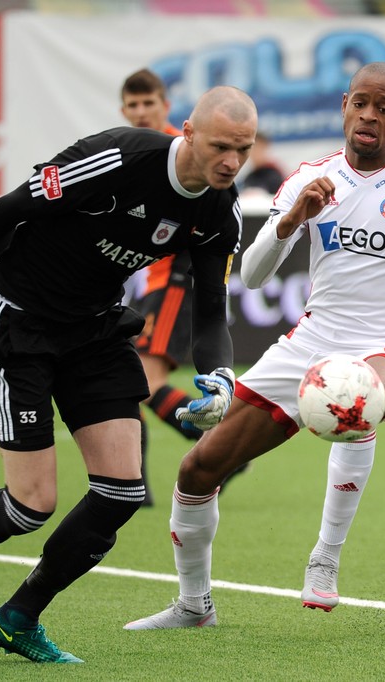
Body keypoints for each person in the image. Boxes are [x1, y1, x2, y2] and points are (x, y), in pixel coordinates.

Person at [123, 62, 385, 630]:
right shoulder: (308, 178)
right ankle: (193, 605)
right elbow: (250, 276)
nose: (369, 116)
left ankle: (325, 556)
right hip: (309, 342)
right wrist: (291, 220)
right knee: (198, 468)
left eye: (384, 106)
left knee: (356, 395)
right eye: (360, 104)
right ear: (344, 106)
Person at [0, 85, 258, 662]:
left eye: (244, 149)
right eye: (220, 147)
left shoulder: (220, 208)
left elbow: (212, 309)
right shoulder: (116, 158)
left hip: (95, 332)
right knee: (29, 506)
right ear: (186, 131)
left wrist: (222, 376)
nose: (231, 163)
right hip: (22, 326)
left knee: (120, 492)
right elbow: (7, 210)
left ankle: (18, 617)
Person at [120, 68, 248, 505]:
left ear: (166, 107)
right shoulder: (130, 151)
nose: (141, 113)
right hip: (152, 282)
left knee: (142, 383)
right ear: (123, 109)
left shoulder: (189, 149)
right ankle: (133, 485)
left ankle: (222, 451)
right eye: (133, 105)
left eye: (148, 104)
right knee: (131, 384)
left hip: (175, 280)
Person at [239, 131, 286, 196]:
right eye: (251, 148)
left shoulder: (274, 175)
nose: (255, 153)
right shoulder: (249, 177)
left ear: (265, 148)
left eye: (258, 148)